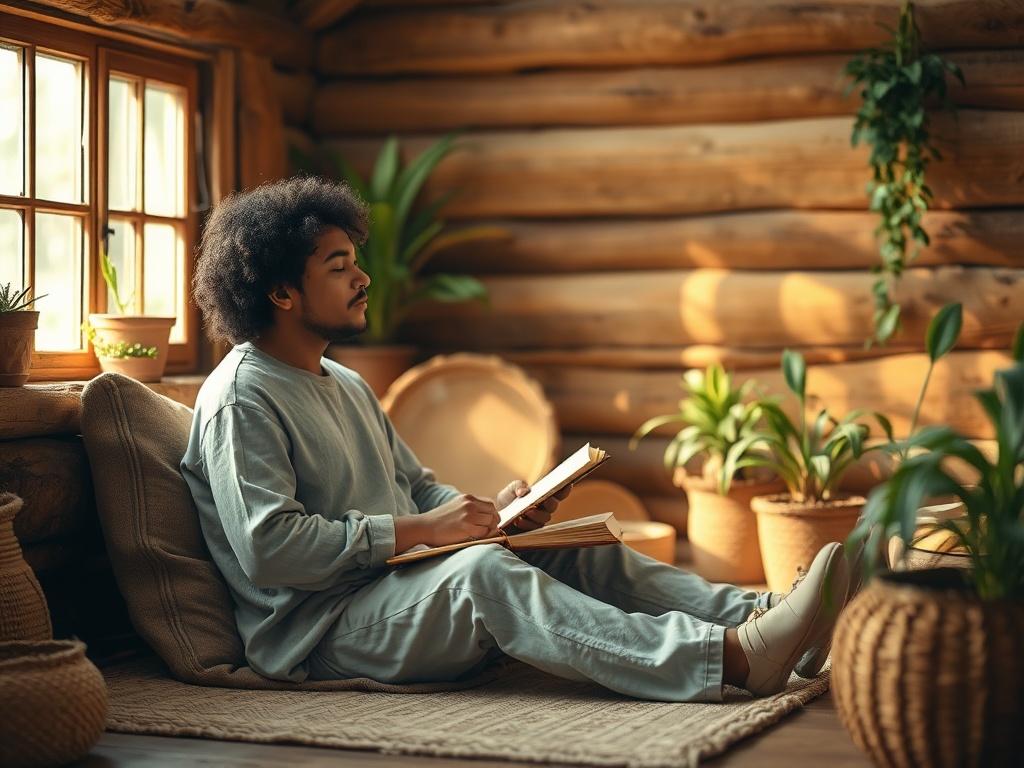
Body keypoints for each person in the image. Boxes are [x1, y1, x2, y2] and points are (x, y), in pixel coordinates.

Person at [181, 176, 852, 703]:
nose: (363, 279)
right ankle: (729, 661)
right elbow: (270, 549)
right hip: (322, 632)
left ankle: (762, 616)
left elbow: (417, 489)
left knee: (564, 547)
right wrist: (423, 531)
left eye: (355, 263)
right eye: (338, 268)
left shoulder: (346, 383)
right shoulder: (241, 398)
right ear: (282, 292)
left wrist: (494, 515)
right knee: (483, 576)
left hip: (395, 589)